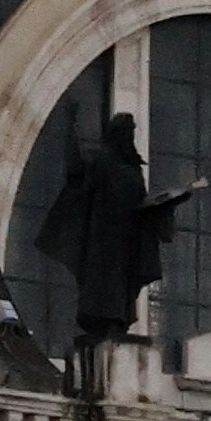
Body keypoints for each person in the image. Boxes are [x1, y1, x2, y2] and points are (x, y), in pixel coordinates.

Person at [31, 105, 194, 368]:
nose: (129, 137)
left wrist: (165, 205)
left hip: (127, 242)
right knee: (103, 288)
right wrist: (70, 139)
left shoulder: (133, 170)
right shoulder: (102, 160)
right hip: (103, 240)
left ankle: (116, 324)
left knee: (121, 291)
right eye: (126, 132)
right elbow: (79, 182)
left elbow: (141, 205)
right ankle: (102, 325)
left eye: (132, 132)